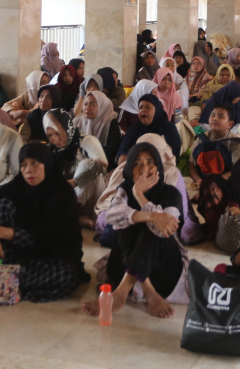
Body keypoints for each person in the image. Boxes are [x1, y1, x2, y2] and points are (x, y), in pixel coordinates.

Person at [0, 142, 87, 302]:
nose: (28, 170)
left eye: (34, 163)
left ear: (47, 163)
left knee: (67, 275)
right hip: (12, 255)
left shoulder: (63, 193)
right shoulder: (17, 186)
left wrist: (2, 232)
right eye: (23, 165)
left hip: (48, 259)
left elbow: (48, 236)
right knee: (1, 206)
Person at [83, 141, 186, 319]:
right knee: (127, 223)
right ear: (130, 169)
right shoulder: (125, 190)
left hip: (162, 270)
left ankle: (120, 294)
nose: (144, 168)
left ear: (158, 166)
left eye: (150, 162)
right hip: (122, 266)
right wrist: (150, 215)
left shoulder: (171, 194)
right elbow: (111, 217)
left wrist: (140, 197)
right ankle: (148, 290)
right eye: (137, 163)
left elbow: (164, 230)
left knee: (153, 230)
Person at [43, 109, 108, 221]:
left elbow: (101, 165)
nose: (56, 139)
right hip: (65, 199)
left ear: (67, 127)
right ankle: (72, 217)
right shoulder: (51, 150)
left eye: (58, 133)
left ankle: (68, 214)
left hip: (92, 200)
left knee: (87, 163)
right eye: (50, 135)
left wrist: (75, 182)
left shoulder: (85, 140)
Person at [116, 93, 182, 165]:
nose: (143, 110)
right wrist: (122, 156)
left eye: (147, 107)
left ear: (157, 110)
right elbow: (123, 150)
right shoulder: (134, 129)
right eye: (140, 107)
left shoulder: (169, 128)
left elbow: (175, 152)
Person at [73, 90, 122, 169]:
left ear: (102, 106)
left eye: (92, 104)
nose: (87, 108)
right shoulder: (78, 121)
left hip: (102, 168)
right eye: (85, 104)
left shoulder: (110, 123)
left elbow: (110, 154)